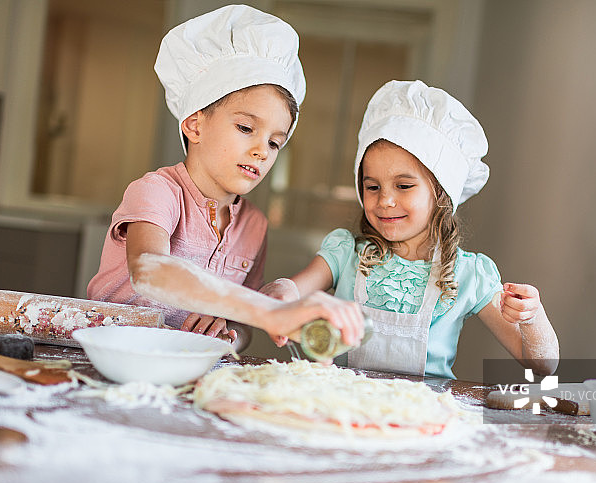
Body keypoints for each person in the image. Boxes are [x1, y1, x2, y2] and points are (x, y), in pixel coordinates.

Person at [88, 5, 361, 350]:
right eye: (246, 128)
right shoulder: (157, 192)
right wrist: (270, 311)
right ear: (195, 124)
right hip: (115, 359)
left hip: (188, 372)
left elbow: (244, 326)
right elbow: (150, 271)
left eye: (275, 142)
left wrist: (229, 334)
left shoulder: (255, 225)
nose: (263, 151)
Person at [262, 80, 559, 378]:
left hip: (420, 416)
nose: (385, 201)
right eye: (372, 186)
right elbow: (291, 292)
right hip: (339, 412)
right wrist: (284, 292)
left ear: (442, 194)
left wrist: (532, 319)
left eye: (404, 186)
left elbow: (542, 365)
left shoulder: (469, 275)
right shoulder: (345, 254)